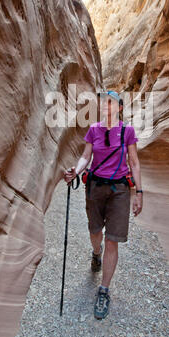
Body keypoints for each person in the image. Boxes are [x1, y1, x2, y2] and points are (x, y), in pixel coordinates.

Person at [63, 90, 143, 320]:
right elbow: (85, 157)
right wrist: (75, 171)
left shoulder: (127, 132)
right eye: (102, 103)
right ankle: (95, 253)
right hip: (95, 188)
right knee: (95, 231)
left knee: (112, 240)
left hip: (119, 190)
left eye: (110, 103)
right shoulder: (94, 130)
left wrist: (139, 192)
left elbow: (134, 163)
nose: (105, 106)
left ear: (119, 108)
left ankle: (104, 290)